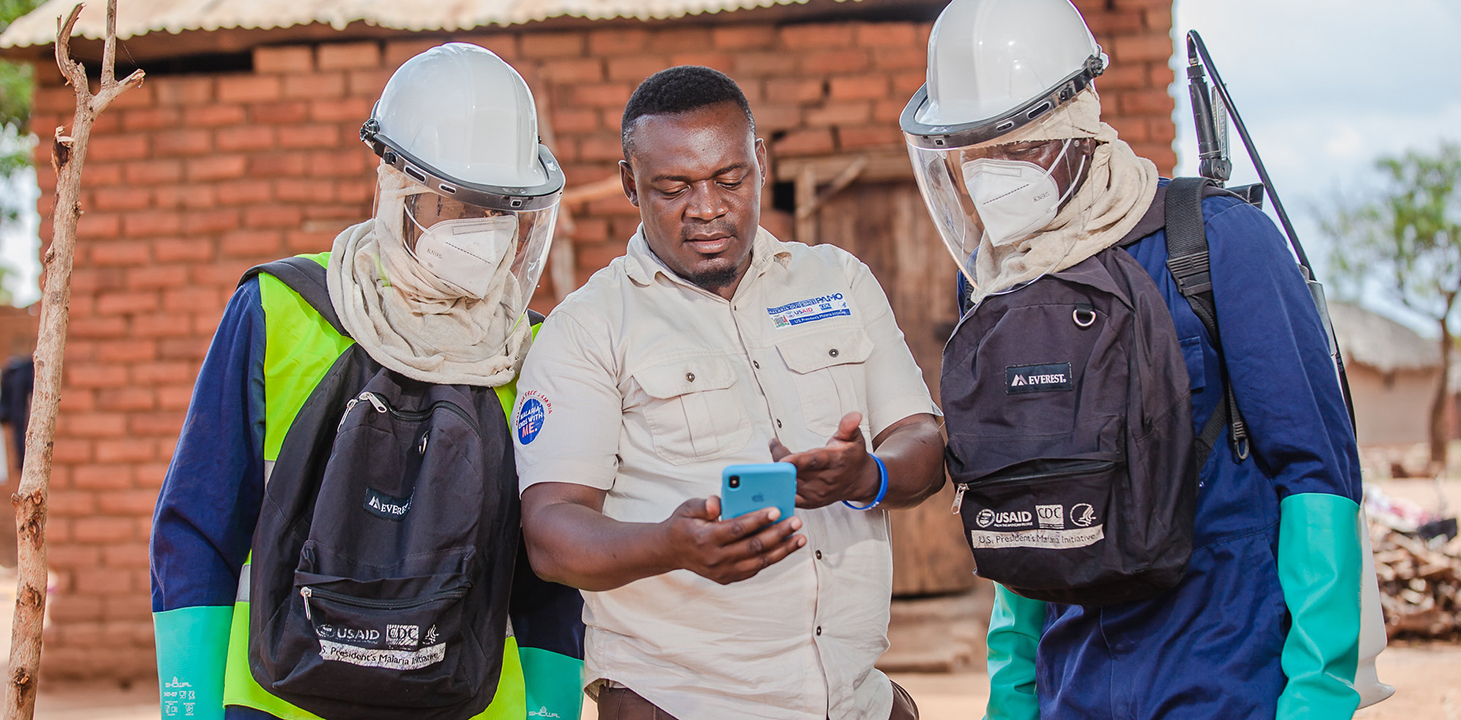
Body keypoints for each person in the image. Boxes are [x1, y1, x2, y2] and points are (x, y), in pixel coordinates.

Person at [900, 0, 1365, 718]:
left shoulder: (1215, 245)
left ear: (1076, 126)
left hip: (1226, 674)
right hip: (1074, 684)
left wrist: (1318, 694)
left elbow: (1318, 474)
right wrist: (1014, 692)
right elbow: (1026, 500)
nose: (995, 174)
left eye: (1019, 145)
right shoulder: (995, 285)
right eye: (975, 152)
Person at [149, 43, 585, 720]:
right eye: (459, 203)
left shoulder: (528, 350)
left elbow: (548, 574)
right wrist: (188, 706)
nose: (486, 234)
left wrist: (551, 710)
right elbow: (199, 523)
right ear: (393, 182)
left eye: (502, 211)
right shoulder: (278, 309)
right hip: (278, 701)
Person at [514, 65, 945, 720]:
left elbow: (923, 441)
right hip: (680, 702)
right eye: (673, 186)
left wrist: (869, 474)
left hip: (855, 697)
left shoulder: (838, 282)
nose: (707, 206)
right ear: (631, 183)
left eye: (729, 178)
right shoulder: (589, 327)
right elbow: (550, 533)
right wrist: (671, 544)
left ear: (760, 163)